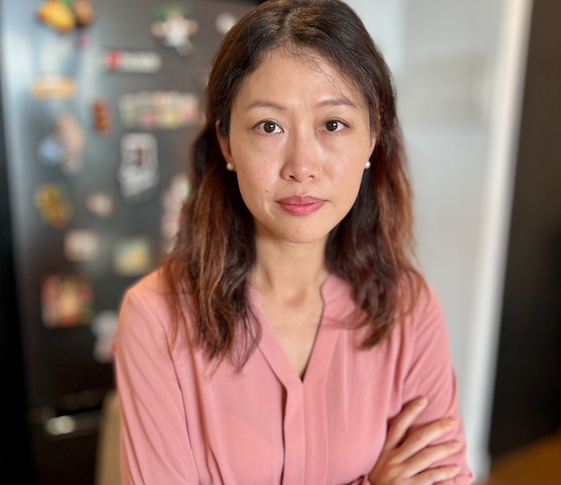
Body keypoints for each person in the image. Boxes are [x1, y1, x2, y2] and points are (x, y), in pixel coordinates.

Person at [112, 0, 472, 483]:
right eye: (269, 126)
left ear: (371, 139)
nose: (301, 165)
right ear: (226, 143)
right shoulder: (156, 318)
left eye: (333, 124)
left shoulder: (408, 307)